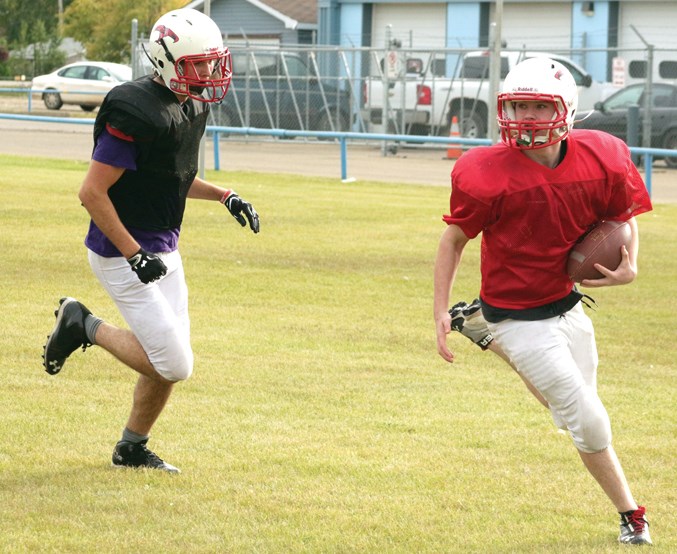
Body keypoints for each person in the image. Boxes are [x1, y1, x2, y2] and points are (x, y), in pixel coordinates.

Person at [433, 57, 653, 545]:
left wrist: (630, 263)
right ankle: (631, 514)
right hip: (516, 314)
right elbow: (453, 240)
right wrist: (436, 310)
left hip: (567, 305)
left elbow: (623, 217)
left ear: (568, 111)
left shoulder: (603, 156)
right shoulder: (484, 172)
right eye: (520, 106)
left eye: (539, 106)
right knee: (590, 424)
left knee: (569, 413)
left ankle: (483, 334)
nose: (528, 117)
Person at [42, 8, 259, 473]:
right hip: (120, 251)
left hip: (162, 247)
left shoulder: (189, 103)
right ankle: (84, 325)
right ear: (165, 60)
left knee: (164, 359)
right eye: (197, 63)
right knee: (175, 363)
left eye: (211, 61)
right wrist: (134, 254)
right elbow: (91, 192)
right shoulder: (134, 109)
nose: (208, 72)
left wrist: (224, 195)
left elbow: (171, 177)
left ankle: (131, 447)